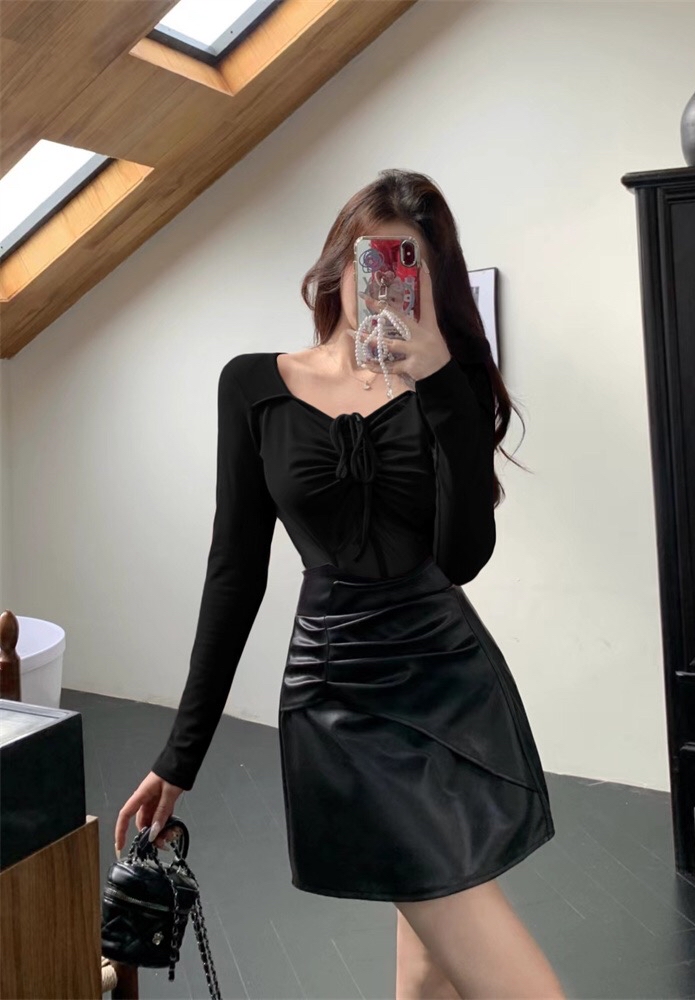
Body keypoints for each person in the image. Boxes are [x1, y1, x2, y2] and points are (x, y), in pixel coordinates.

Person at [115, 169, 566, 999]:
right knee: (460, 930)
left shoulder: (449, 385)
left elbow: (462, 557)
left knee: (428, 961)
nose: (383, 283)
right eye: (371, 261)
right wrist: (182, 754)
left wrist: (440, 384)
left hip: (451, 683)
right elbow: (235, 572)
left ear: (430, 282)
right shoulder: (251, 385)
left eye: (405, 266)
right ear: (338, 266)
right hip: (338, 697)